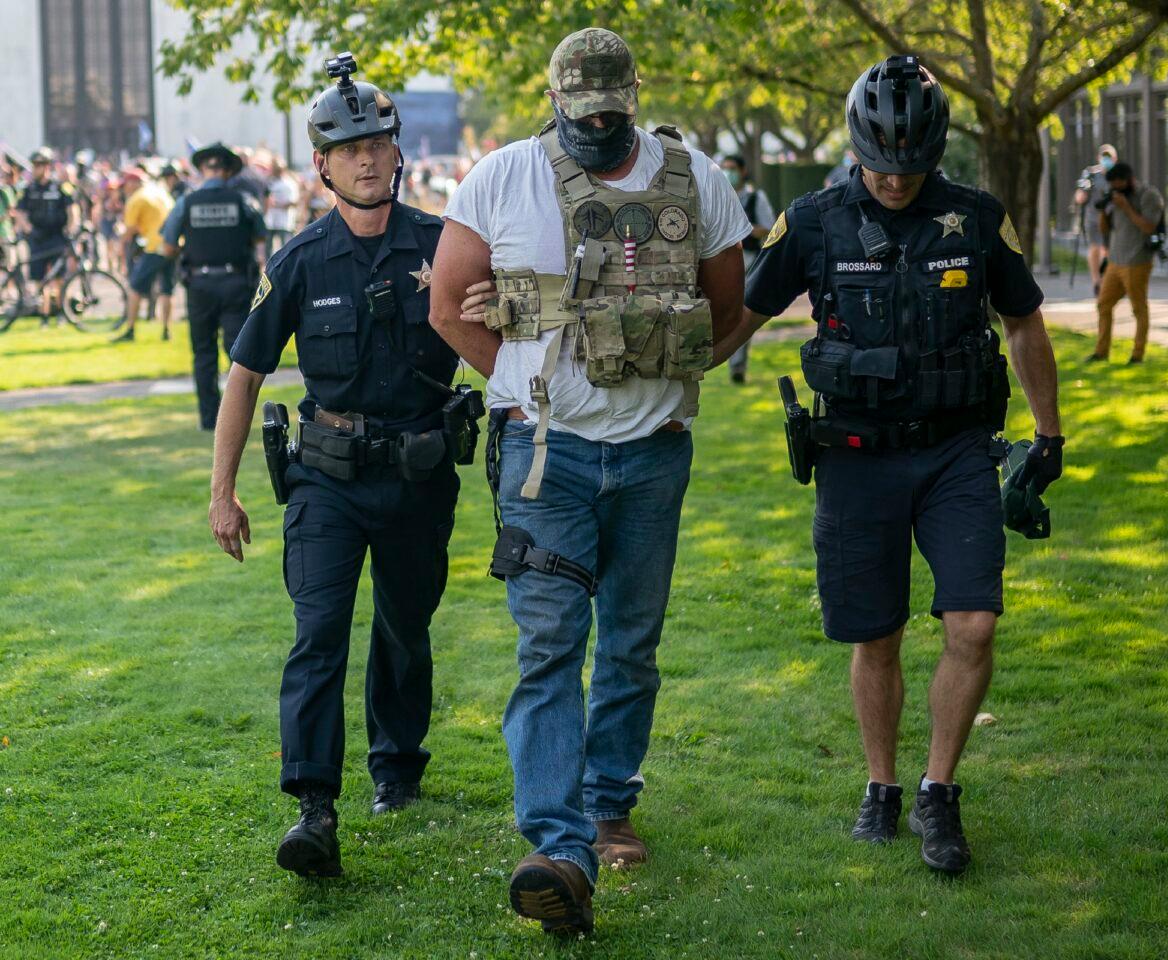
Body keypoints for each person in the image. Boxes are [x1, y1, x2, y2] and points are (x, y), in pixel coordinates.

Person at [432, 27, 749, 934]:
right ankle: (559, 849)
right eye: (583, 117)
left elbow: (730, 311)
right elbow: (449, 307)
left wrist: (677, 390)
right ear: (556, 101)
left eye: (614, 116)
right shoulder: (500, 178)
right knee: (548, 645)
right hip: (546, 458)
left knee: (632, 644)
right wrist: (524, 384)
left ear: (635, 98)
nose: (599, 130)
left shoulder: (696, 180)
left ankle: (610, 802)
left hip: (653, 454)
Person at [716, 55, 1064, 875]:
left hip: (956, 455)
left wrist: (1048, 436)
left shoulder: (976, 219)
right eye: (881, 164)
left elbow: (1023, 324)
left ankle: (939, 792)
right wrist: (666, 381)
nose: (897, 180)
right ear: (854, 146)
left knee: (972, 624)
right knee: (875, 637)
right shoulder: (810, 222)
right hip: (858, 458)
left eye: (912, 165)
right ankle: (882, 786)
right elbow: (742, 316)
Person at [208, 52, 473, 880]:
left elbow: (501, 345)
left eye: (379, 143)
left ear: (397, 151)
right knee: (317, 635)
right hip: (325, 478)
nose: (367, 158)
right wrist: (223, 492)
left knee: (404, 628)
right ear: (321, 165)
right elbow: (244, 376)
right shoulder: (295, 262)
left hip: (418, 475)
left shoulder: (443, 247)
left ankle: (397, 770)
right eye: (348, 148)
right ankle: (315, 810)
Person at [161, 142, 266, 429]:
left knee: (203, 352)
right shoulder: (243, 201)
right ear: (228, 171)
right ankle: (237, 417)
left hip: (200, 284)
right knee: (237, 353)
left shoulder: (186, 202)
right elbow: (260, 240)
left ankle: (209, 419)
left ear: (203, 169)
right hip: (236, 283)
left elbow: (168, 246)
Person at [1089, 160, 1164, 364]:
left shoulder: (1148, 195)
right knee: (1103, 304)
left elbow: (1149, 227)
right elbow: (1104, 229)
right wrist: (1105, 209)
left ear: (1128, 180)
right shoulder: (1115, 197)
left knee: (1138, 309)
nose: (1115, 189)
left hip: (1137, 260)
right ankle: (1101, 352)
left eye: (1118, 184)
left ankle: (1137, 355)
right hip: (1115, 260)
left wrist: (1126, 207)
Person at [721, 153, 775, 383]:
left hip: (748, 258)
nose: (728, 172)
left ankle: (737, 364)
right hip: (721, 260)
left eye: (732, 168)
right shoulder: (719, 196)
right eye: (724, 168)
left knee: (741, 312)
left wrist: (746, 228)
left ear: (743, 170)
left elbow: (770, 227)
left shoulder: (755, 197)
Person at [13, 148, 78, 322]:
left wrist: (71, 229)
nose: (35, 169)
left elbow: (72, 209)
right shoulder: (28, 189)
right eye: (34, 165)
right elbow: (19, 211)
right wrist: (27, 228)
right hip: (37, 237)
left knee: (59, 278)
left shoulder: (61, 187)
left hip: (56, 237)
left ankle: (62, 313)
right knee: (39, 279)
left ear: (48, 166)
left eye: (39, 165)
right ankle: (44, 314)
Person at [113, 169, 176, 342]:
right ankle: (166, 330)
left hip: (155, 246)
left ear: (133, 183)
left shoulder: (137, 198)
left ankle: (130, 330)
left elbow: (129, 230)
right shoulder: (160, 191)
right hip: (175, 245)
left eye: (125, 185)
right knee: (167, 290)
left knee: (135, 288)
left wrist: (120, 238)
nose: (124, 189)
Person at [1073, 144, 1117, 297]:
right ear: (1099, 158)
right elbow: (1079, 196)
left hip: (1111, 219)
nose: (1107, 161)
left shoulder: (1118, 175)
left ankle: (1106, 279)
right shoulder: (1090, 174)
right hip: (1093, 218)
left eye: (1109, 158)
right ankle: (1096, 280)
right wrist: (1083, 192)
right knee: (1095, 248)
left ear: (1114, 159)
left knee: (1108, 251)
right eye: (1104, 157)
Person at [264, 156, 301, 256]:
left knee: (286, 247)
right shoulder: (269, 182)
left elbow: (294, 202)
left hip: (285, 221)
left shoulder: (289, 183)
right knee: (268, 248)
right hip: (270, 220)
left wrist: (279, 204)